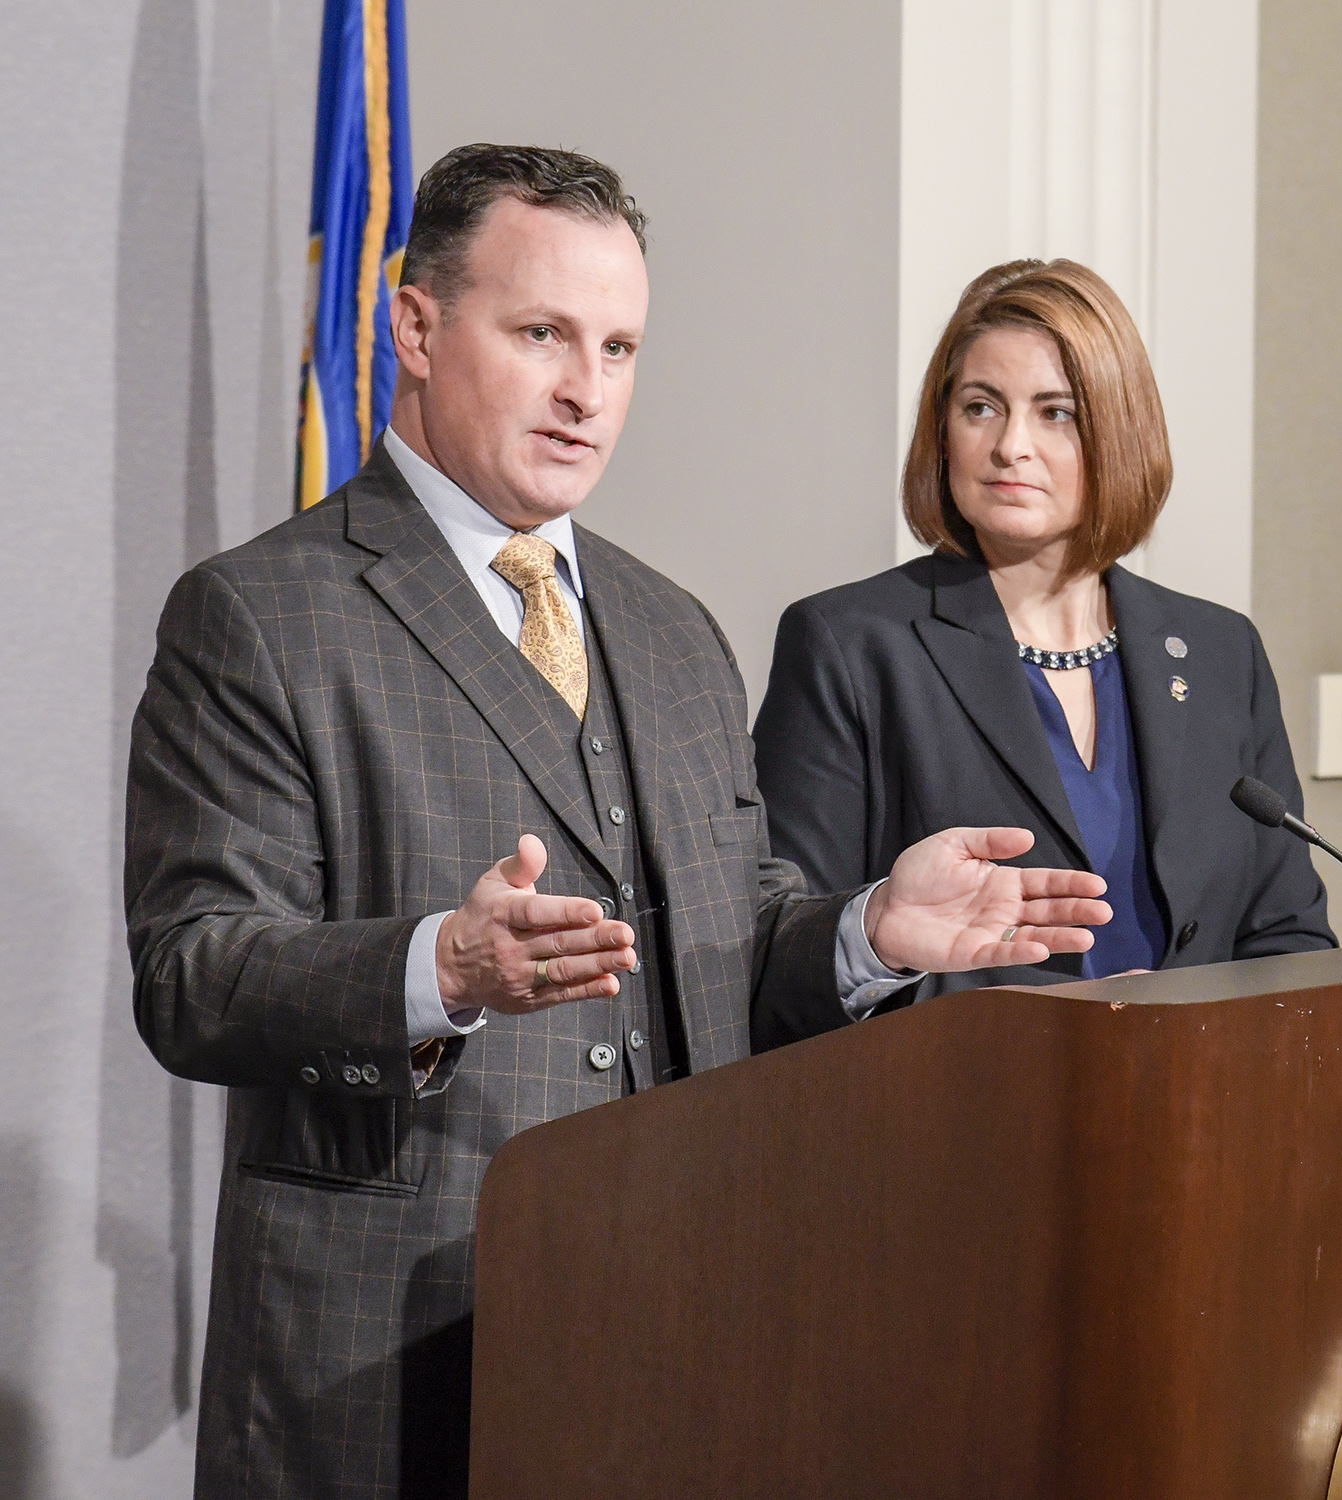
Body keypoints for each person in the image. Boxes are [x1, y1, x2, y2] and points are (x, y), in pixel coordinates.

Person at [124, 147, 1108, 1499]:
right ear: (413, 327)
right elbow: (193, 975)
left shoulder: (673, 628)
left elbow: (735, 944)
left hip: (671, 1344)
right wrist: (439, 971)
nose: (589, 392)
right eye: (542, 336)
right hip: (388, 1355)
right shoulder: (262, 615)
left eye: (622, 347)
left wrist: (873, 930)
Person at [751, 258, 1333, 1041]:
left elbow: (1288, 938)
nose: (1010, 446)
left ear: (1120, 431)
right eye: (981, 407)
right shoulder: (851, 644)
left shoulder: (1222, 649)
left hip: (1198, 1119)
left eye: (1056, 412)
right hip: (962, 1127)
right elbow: (779, 963)